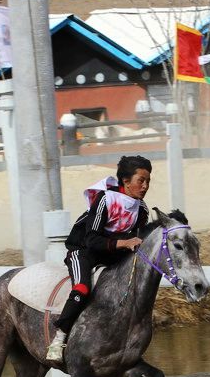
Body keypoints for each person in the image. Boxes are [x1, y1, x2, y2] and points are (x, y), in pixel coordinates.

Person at [45, 155, 152, 363]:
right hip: (83, 251)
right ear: (126, 181)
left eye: (148, 181)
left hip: (111, 254)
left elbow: (136, 242)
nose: (145, 186)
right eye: (141, 180)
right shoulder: (104, 199)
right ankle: (59, 339)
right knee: (83, 289)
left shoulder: (142, 209)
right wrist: (124, 243)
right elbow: (92, 240)